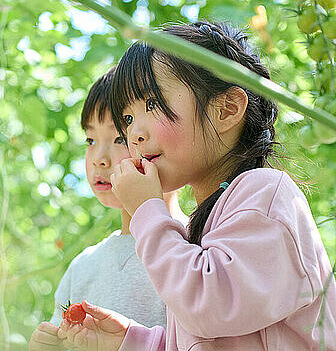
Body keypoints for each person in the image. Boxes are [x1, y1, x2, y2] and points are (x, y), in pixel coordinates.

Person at [56, 21, 336, 350]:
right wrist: (133, 340)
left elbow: (210, 306)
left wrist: (147, 210)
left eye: (152, 104)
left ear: (226, 109)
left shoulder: (265, 194)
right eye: (128, 119)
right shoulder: (203, 229)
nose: (135, 133)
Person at [28, 67, 188, 351]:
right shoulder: (83, 266)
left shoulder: (197, 244)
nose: (99, 159)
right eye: (90, 140)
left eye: (117, 139)